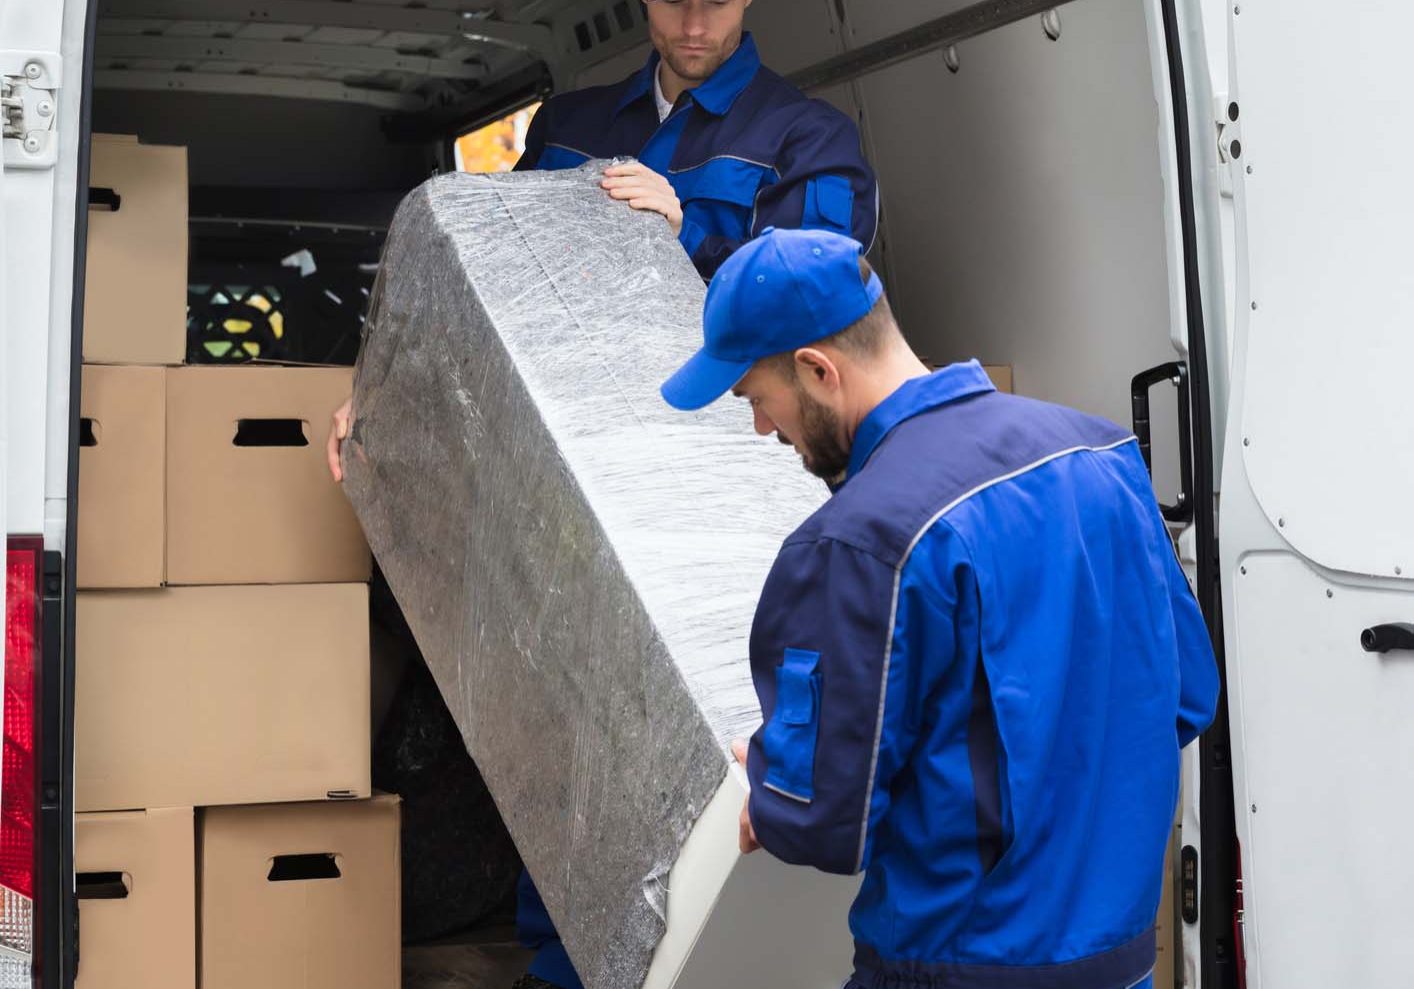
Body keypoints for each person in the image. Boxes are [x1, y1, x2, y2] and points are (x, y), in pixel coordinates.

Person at [659, 228, 1220, 989]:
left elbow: (821, 816)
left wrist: (771, 782)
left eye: (758, 399)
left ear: (818, 369)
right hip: (1119, 962)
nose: (762, 428)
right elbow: (1186, 698)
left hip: (960, 963)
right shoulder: (1102, 457)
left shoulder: (858, 542)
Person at [517, 0, 878, 281]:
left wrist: (682, 237)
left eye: (716, 2)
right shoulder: (563, 126)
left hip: (728, 378)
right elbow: (504, 259)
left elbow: (816, 290)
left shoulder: (811, 136)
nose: (693, 27)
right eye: (674, 1)